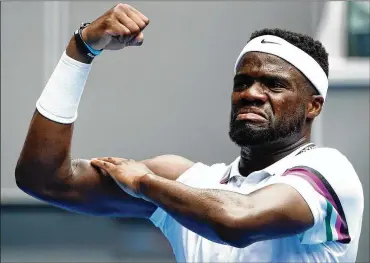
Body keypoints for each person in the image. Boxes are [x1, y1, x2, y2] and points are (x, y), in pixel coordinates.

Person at [15, 3, 364, 263]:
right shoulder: (187, 183)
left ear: (313, 106)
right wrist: (81, 49)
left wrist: (144, 184)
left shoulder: (329, 172)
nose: (251, 93)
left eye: (273, 84)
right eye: (242, 82)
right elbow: (44, 178)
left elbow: (238, 220)